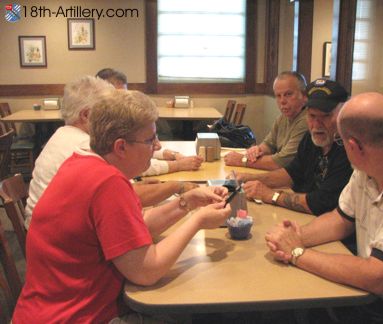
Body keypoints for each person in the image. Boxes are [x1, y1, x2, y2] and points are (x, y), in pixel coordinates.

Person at [13, 89, 232, 323]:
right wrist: (197, 221)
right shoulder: (108, 183)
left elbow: (134, 230)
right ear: (120, 147)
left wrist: (187, 202)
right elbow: (147, 272)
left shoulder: (81, 162)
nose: (157, 146)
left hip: (39, 310)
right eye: (150, 139)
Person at [265, 92, 383, 323]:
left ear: (352, 146)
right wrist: (295, 237)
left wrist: (297, 253)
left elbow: (377, 276)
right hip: (371, 297)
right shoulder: (371, 162)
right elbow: (340, 219)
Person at [24, 76, 197, 229]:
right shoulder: (84, 148)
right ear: (86, 115)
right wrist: (178, 187)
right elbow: (145, 260)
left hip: (50, 232)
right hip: (61, 241)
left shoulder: (65, 135)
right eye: (108, 111)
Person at [237, 79, 352, 216]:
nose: (316, 124)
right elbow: (292, 174)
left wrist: (271, 195)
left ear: (343, 113)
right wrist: (248, 179)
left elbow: (322, 203)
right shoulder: (309, 139)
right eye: (312, 115)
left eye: (326, 116)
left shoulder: (349, 149)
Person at [96, 67, 203, 175]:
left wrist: (173, 155)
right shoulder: (98, 129)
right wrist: (179, 165)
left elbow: (138, 149)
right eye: (117, 97)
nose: (123, 102)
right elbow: (135, 162)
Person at [224, 71, 308, 170]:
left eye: (288, 94)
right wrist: (257, 150)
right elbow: (269, 144)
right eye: (278, 96)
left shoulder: (307, 120)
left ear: (304, 95)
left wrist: (242, 160)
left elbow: (280, 162)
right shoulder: (282, 118)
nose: (282, 101)